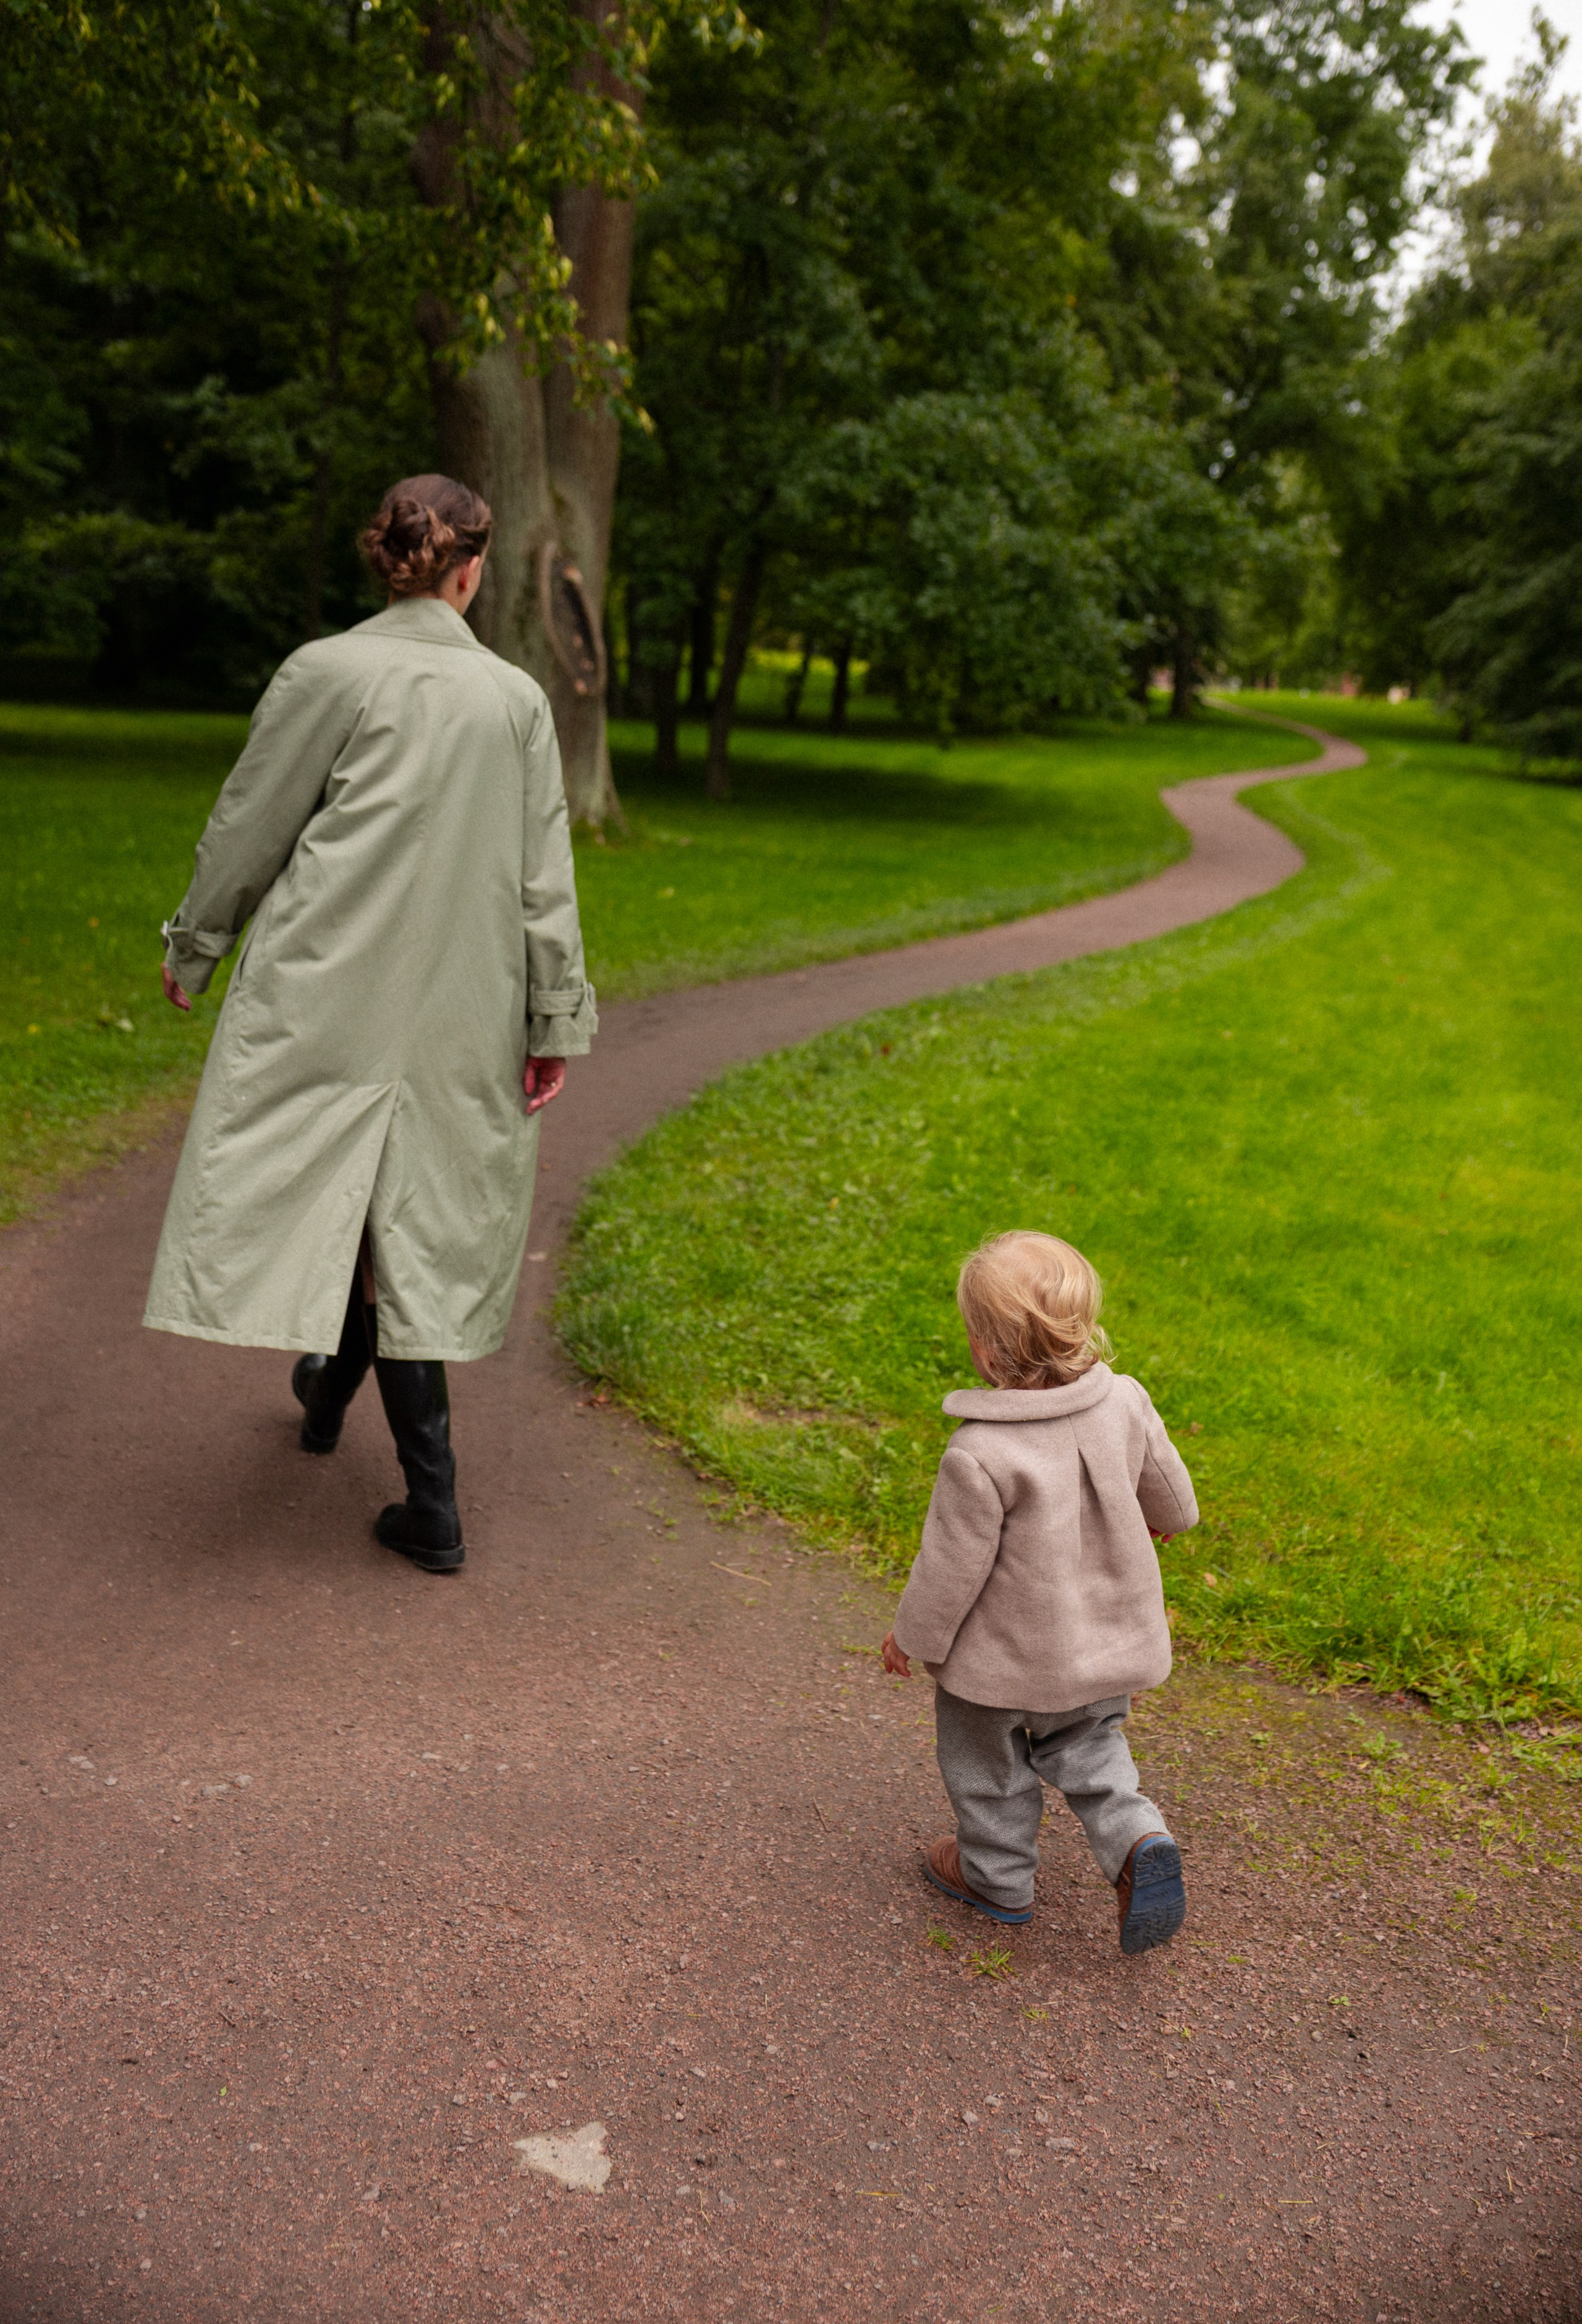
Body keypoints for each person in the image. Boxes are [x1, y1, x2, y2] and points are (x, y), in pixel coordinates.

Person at [144, 474, 596, 1575]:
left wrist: (196, 944)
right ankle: (340, 1410)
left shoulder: (325, 671)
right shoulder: (515, 701)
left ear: (390, 560)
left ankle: (427, 1500)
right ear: (472, 570)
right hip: (460, 1004)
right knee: (403, 1217)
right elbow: (544, 879)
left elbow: (250, 825)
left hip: (324, 989)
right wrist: (551, 1020)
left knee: (369, 1211)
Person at [881, 1231, 1196, 1953]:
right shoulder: (1125, 1401)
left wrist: (913, 1639)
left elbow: (948, 1570)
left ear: (985, 1351)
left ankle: (995, 1877)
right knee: (1092, 1747)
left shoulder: (980, 1452)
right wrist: (1164, 1519)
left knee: (984, 1763)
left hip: (999, 1668)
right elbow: (1173, 1497)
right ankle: (1136, 1837)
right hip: (1098, 1651)